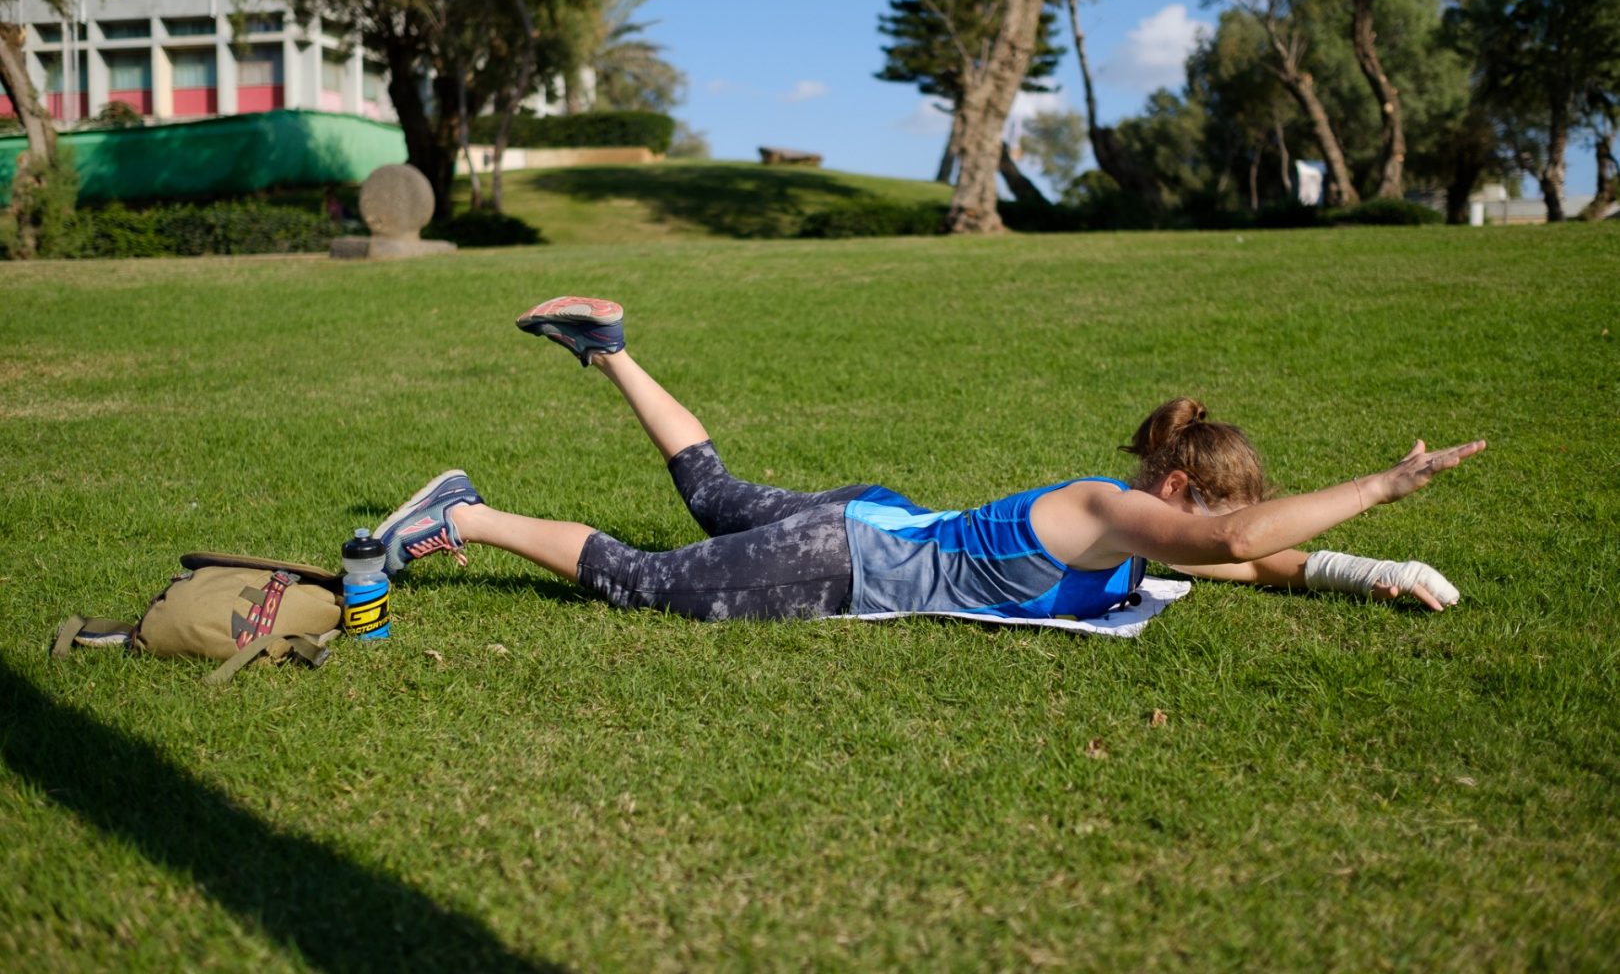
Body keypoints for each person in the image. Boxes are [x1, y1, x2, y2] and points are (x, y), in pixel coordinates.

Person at [375, 297, 1486, 623]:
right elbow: (1238, 541)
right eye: (1200, 521)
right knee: (650, 579)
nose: (1199, 543)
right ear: (1181, 492)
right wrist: (1385, 486)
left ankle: (608, 347)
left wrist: (1373, 574)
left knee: (712, 495)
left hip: (877, 517)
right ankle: (466, 516)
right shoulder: (1109, 508)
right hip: (850, 561)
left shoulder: (1142, 531)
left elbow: (1252, 559)